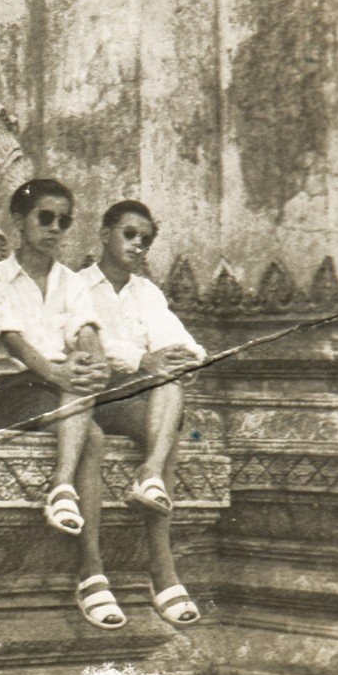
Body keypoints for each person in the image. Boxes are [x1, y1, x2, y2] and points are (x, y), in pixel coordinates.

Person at [0, 178, 130, 632]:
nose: (55, 228)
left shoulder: (71, 281)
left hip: (67, 388)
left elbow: (86, 331)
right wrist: (61, 373)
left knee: (93, 433)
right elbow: (13, 340)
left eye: (64, 221)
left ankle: (71, 513)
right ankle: (92, 570)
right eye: (45, 217)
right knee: (91, 434)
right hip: (20, 390)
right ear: (20, 221)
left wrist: (91, 362)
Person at [76, 200, 206, 627]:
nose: (137, 245)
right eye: (129, 234)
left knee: (170, 388)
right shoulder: (77, 285)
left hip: (137, 395)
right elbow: (86, 344)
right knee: (166, 410)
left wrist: (178, 356)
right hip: (94, 394)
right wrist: (142, 358)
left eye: (145, 240)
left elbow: (183, 345)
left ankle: (149, 474)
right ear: (105, 233)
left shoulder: (147, 292)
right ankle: (162, 572)